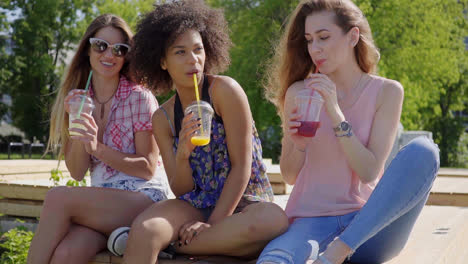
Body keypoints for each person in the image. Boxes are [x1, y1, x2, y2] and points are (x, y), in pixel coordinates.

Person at [257, 0, 440, 263]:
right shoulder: (299, 93)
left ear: (353, 36)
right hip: (310, 222)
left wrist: (335, 112)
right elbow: (289, 175)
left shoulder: (386, 92)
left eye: (324, 37)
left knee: (424, 152)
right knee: (273, 260)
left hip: (366, 227)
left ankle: (335, 253)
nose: (314, 48)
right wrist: (298, 144)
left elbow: (368, 171)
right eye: (309, 40)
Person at [107, 1, 289, 263]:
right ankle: (170, 241)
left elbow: (241, 168)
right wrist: (182, 155)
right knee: (148, 229)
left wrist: (211, 224)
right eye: (180, 52)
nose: (193, 60)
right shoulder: (163, 118)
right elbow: (181, 189)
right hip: (196, 203)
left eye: (198, 49)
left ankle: (174, 246)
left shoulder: (225, 91)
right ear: (163, 61)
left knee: (274, 221)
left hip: (244, 202)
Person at [27, 14, 168, 264]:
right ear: (87, 51)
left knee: (58, 197)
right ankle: (120, 235)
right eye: (100, 46)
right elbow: (78, 173)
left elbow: (147, 168)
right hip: (101, 205)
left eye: (119, 49)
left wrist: (98, 148)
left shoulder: (139, 98)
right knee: (65, 254)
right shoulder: (79, 100)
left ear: (127, 57)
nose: (109, 55)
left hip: (143, 200)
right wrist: (79, 125)